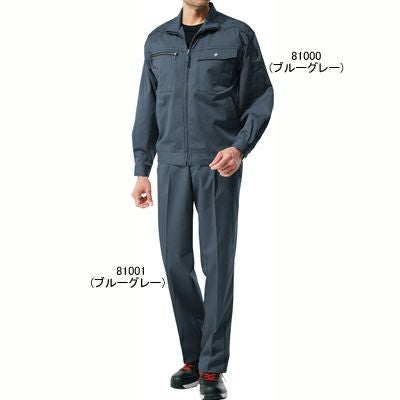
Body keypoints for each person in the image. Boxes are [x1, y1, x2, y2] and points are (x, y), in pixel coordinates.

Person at [131, 1, 274, 398]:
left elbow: (260, 97)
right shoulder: (157, 40)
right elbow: (147, 106)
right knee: (175, 263)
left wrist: (240, 148)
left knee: (217, 265)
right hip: (171, 166)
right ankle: (193, 356)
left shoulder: (238, 35)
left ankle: (212, 366)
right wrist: (142, 168)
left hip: (218, 166)